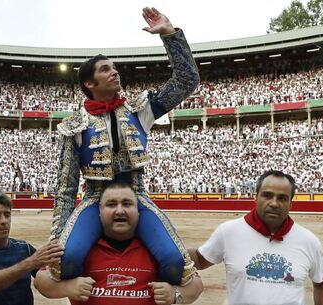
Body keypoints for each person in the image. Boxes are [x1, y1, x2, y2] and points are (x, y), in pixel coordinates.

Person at [51, 7, 199, 285]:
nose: (114, 72)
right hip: (95, 199)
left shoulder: (139, 109)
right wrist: (58, 235)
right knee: (66, 259)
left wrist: (170, 35)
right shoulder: (74, 125)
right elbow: (66, 186)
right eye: (105, 69)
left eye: (115, 68)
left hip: (136, 195)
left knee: (175, 261)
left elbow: (186, 82)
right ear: (89, 82)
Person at [36, 182, 203, 305]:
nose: (120, 210)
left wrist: (175, 294)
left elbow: (196, 284)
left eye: (127, 203)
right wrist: (67, 288)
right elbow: (41, 280)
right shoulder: (82, 246)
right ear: (98, 211)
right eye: (111, 204)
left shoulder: (155, 247)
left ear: (139, 211)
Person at [189, 170, 323, 305]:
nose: (274, 203)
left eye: (282, 198)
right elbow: (200, 259)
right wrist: (168, 253)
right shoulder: (228, 232)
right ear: (256, 197)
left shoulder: (308, 241)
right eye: (267, 195)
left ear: (291, 203)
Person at [0, 192, 64, 305]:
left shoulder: (25, 248)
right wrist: (31, 262)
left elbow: (47, 276)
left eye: (7, 215)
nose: (4, 221)